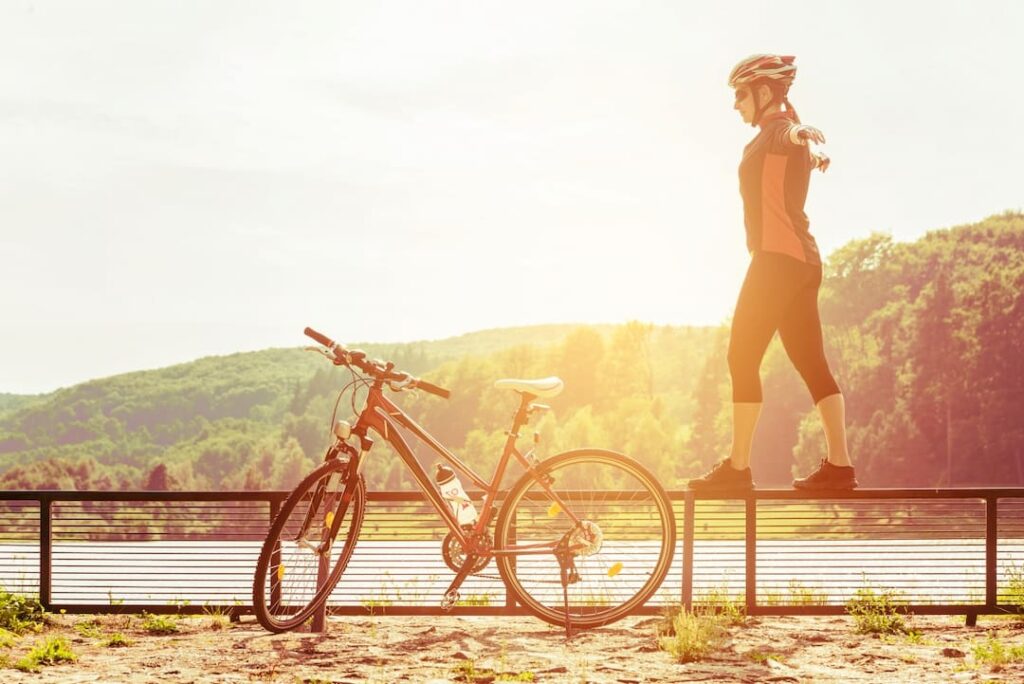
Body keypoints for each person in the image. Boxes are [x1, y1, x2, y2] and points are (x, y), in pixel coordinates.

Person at [689, 54, 857, 492]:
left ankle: (737, 469)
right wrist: (810, 149)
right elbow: (792, 141)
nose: (735, 105)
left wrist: (801, 135)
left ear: (765, 92)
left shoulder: (779, 131)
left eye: (740, 94)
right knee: (811, 362)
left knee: (740, 356)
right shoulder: (775, 135)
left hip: (776, 261)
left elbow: (789, 134)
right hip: (803, 262)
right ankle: (840, 468)